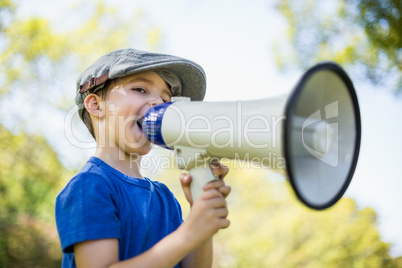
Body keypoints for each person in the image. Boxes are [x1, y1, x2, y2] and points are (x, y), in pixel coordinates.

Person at [55, 48, 231, 268]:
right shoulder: (89, 186)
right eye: (140, 89)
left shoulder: (164, 197)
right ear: (96, 105)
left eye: (166, 98)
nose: (158, 103)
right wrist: (188, 234)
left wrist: (201, 217)